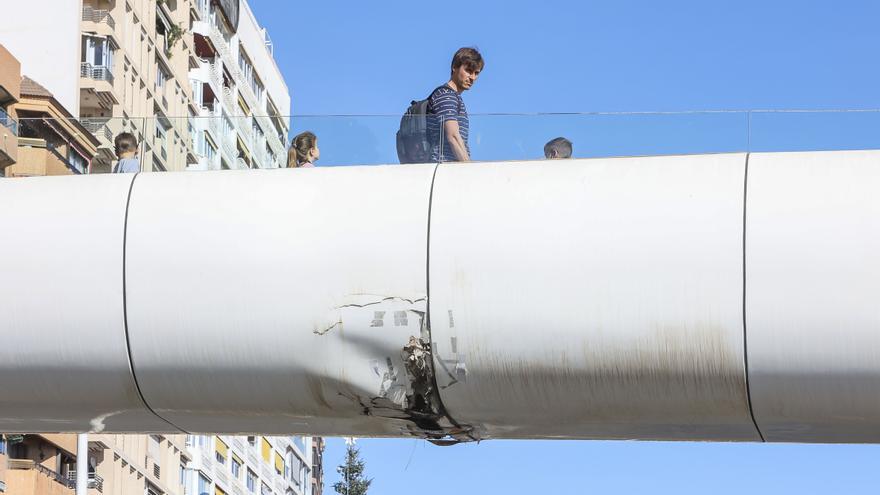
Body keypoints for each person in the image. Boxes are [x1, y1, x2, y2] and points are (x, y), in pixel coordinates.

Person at [427, 47, 484, 162]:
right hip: (446, 167)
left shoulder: (453, 97)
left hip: (452, 168)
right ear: (454, 67)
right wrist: (469, 169)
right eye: (468, 70)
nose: (472, 77)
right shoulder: (446, 95)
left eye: (476, 73)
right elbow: (452, 137)